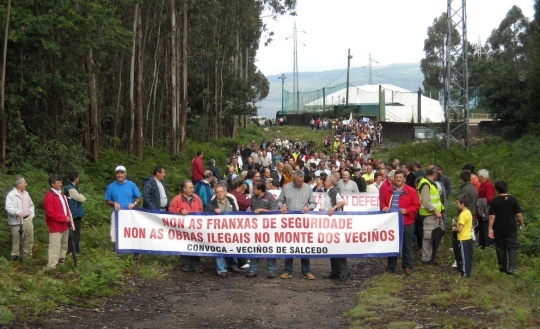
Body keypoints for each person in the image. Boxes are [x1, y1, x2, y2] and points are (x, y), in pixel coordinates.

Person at [277, 170, 317, 280]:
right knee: (290, 244)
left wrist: (308, 208)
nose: (301, 183)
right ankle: (288, 270)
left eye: (302, 181)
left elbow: (313, 203)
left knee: (304, 245)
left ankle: (306, 271)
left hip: (304, 222)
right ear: (294, 179)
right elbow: (279, 201)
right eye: (299, 181)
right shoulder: (286, 187)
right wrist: (282, 207)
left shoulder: (307, 188)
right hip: (290, 222)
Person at [380, 170, 420, 276]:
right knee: (392, 245)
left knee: (406, 245)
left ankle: (407, 267)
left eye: (400, 177)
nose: (398, 179)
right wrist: (384, 207)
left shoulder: (411, 191)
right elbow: (382, 202)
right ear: (394, 178)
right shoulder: (388, 190)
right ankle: (390, 267)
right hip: (391, 222)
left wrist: (407, 210)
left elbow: (416, 205)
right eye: (396, 177)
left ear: (404, 179)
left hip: (407, 221)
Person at [488, 181, 524, 275]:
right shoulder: (512, 199)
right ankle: (512, 268)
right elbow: (518, 214)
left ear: (496, 189)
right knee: (512, 248)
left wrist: (490, 228)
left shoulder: (495, 201)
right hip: (511, 228)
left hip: (498, 229)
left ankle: (502, 269)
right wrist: (522, 223)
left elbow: (492, 216)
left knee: (500, 248)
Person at [205, 182, 241, 277]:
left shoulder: (230, 199)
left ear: (225, 192)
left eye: (221, 191)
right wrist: (213, 210)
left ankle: (233, 265)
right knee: (219, 248)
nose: (219, 194)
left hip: (231, 229)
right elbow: (206, 210)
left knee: (233, 246)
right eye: (217, 192)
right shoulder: (212, 202)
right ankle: (221, 270)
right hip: (218, 231)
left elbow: (236, 212)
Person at [169, 180, 204, 273]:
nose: (192, 189)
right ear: (184, 189)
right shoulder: (177, 199)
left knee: (195, 245)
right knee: (184, 245)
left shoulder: (196, 198)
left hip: (195, 227)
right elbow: (171, 210)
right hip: (182, 228)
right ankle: (185, 264)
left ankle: (196, 264)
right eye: (190, 188)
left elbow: (201, 209)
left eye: (192, 187)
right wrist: (180, 210)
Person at [246, 181, 279, 278]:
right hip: (256, 228)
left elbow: (275, 210)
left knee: (269, 248)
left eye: (255, 188)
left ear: (260, 189)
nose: (253, 190)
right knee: (254, 248)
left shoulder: (269, 197)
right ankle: (253, 269)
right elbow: (252, 210)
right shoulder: (253, 198)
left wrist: (262, 210)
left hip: (269, 228)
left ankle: (271, 270)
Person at [321, 177, 350, 280]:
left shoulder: (334, 191)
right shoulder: (329, 191)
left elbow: (342, 202)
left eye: (326, 181)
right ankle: (335, 271)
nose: (324, 182)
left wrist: (333, 208)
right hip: (330, 224)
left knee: (338, 247)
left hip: (335, 224)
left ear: (331, 182)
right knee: (332, 247)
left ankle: (343, 271)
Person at [43, 174, 73, 269]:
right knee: (55, 246)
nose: (61, 184)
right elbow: (50, 213)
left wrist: (68, 219)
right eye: (58, 182)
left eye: (61, 182)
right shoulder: (49, 197)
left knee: (64, 244)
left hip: (64, 224)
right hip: (55, 225)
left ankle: (61, 260)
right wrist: (63, 218)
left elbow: (66, 208)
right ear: (52, 184)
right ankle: (51, 265)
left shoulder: (61, 194)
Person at [104, 166, 141, 242]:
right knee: (116, 230)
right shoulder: (111, 186)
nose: (120, 175)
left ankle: (131, 248)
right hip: (117, 212)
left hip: (129, 212)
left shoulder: (131, 185)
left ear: (125, 174)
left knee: (130, 230)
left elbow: (139, 197)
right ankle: (117, 249)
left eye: (122, 173)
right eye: (118, 173)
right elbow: (107, 200)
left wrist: (134, 203)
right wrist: (114, 203)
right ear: (116, 174)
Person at [417, 165, 444, 265]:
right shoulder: (425, 184)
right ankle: (427, 258)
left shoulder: (430, 183)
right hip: (429, 214)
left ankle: (431, 256)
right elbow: (425, 201)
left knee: (434, 235)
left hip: (434, 214)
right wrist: (435, 211)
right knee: (428, 237)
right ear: (434, 173)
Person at [5, 176, 35, 261]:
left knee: (29, 239)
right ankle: (15, 258)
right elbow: (8, 207)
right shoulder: (11, 195)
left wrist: (31, 215)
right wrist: (17, 212)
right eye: (24, 183)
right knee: (17, 240)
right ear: (19, 184)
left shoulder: (26, 194)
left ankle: (27, 257)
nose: (26, 184)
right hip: (17, 221)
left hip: (28, 219)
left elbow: (31, 205)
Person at [64, 171, 86, 255]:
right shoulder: (71, 189)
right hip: (74, 213)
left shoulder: (73, 187)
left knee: (76, 233)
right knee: (74, 233)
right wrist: (82, 196)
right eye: (78, 177)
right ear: (76, 178)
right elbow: (82, 198)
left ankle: (75, 250)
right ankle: (72, 251)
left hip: (75, 213)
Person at [452, 194, 474, 277]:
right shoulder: (468, 212)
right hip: (468, 236)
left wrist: (454, 228)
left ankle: (465, 273)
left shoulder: (462, 215)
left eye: (457, 203)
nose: (456, 205)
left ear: (463, 204)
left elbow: (460, 229)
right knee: (468, 255)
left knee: (464, 257)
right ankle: (467, 271)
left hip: (462, 238)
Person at [477, 169, 496, 249]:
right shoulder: (482, 184)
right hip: (481, 212)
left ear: (481, 177)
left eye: (478, 176)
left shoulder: (488, 185)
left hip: (486, 212)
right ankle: (482, 246)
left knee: (485, 230)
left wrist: (480, 201)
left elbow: (490, 199)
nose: (477, 178)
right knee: (481, 230)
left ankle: (488, 247)